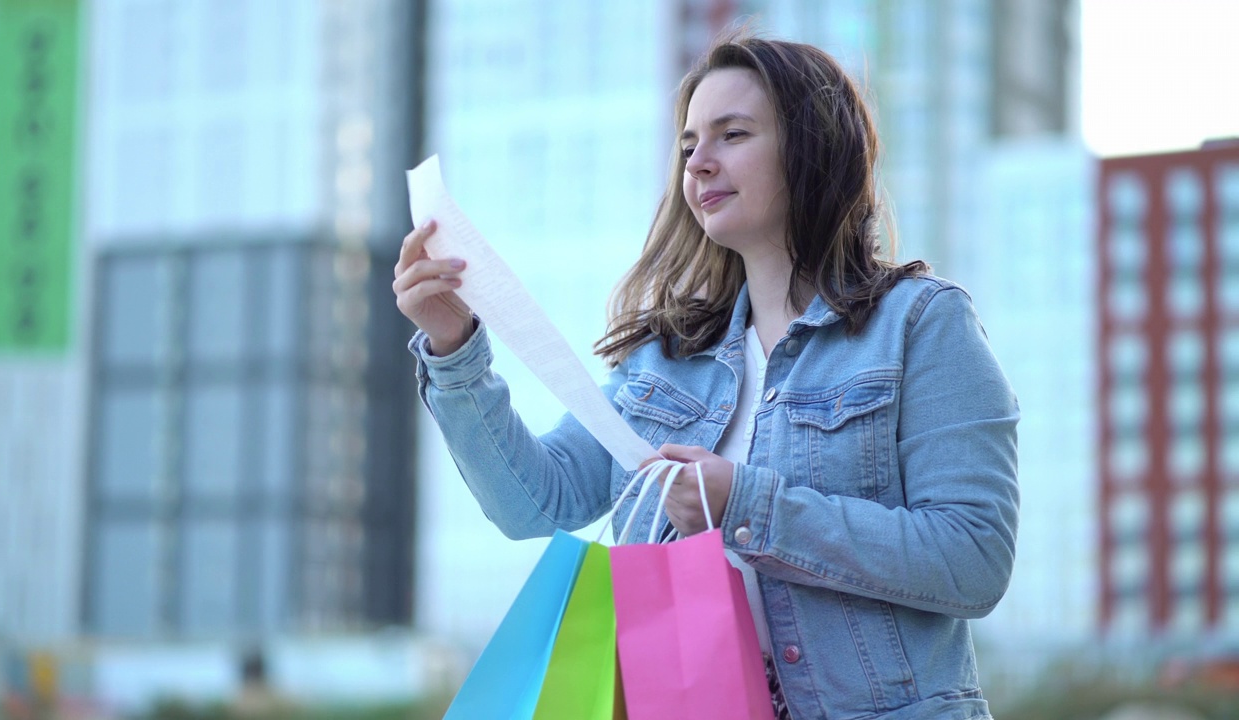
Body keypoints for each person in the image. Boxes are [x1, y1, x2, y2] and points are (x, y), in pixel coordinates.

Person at [393, 31, 1019, 720]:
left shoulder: (921, 326)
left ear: (811, 149)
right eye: (689, 146)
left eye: (733, 134)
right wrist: (453, 346)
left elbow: (974, 559)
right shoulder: (668, 359)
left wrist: (747, 505)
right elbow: (535, 502)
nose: (699, 164)